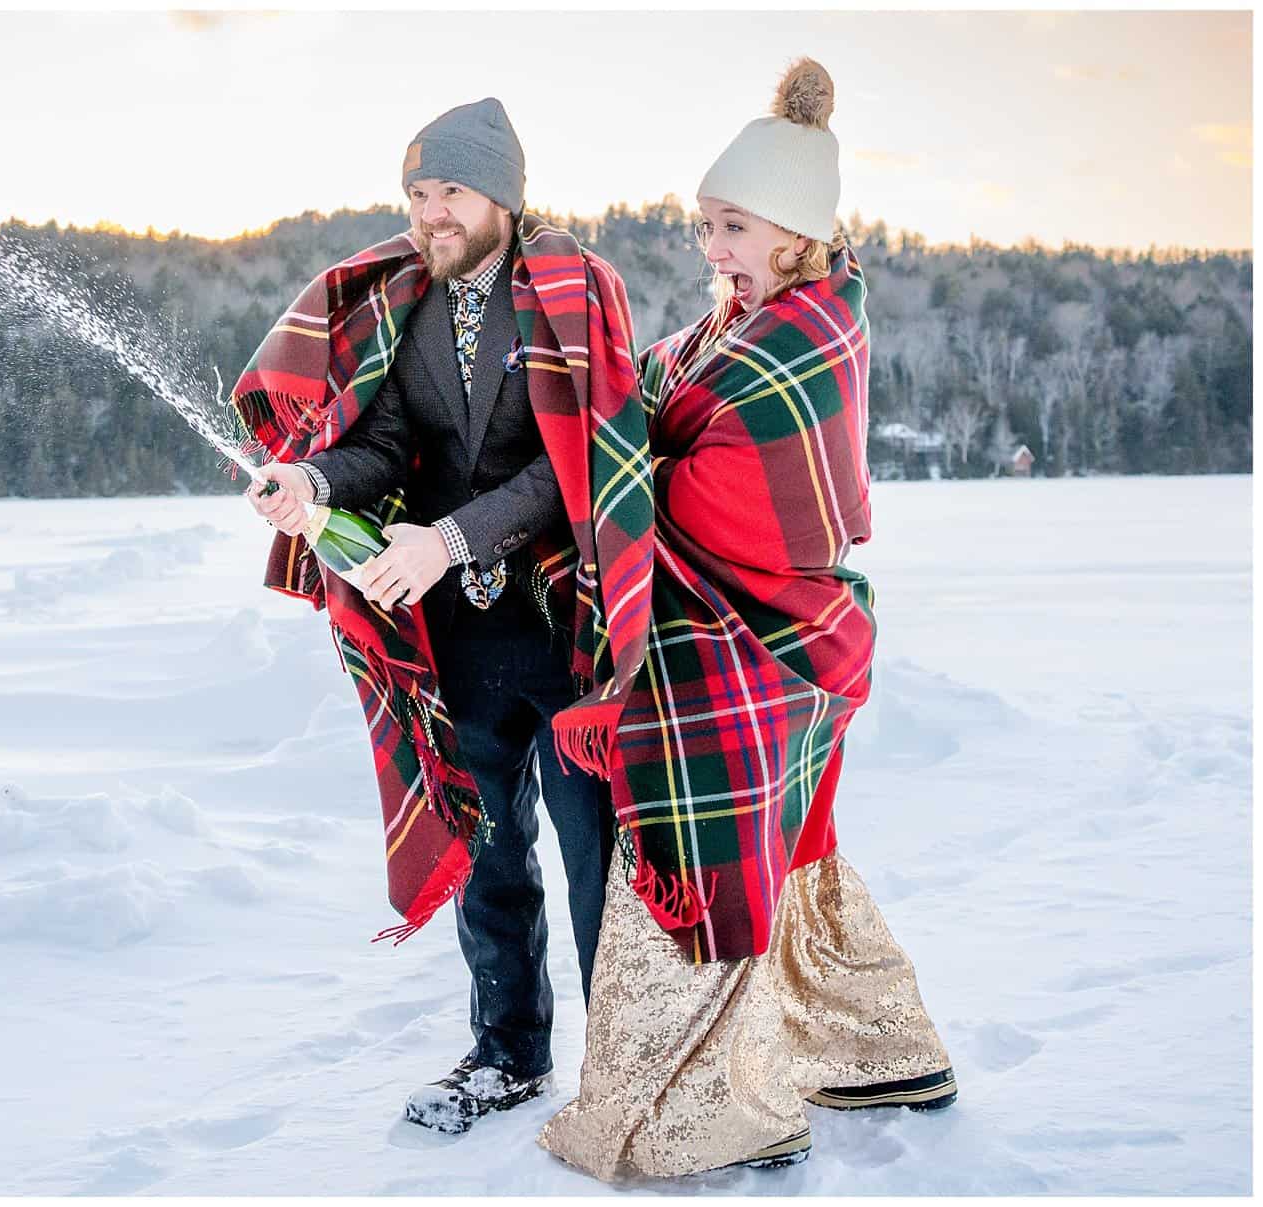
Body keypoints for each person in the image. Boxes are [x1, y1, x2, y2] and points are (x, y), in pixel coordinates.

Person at [536, 59, 956, 1181]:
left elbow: (744, 510)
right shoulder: (745, 316)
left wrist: (618, 470)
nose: (711, 246)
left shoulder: (802, 343)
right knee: (791, 854)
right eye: (704, 225)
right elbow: (654, 389)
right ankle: (877, 1051)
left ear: (795, 232)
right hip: (749, 640)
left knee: (700, 863)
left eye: (731, 225)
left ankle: (710, 1118)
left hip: (761, 641)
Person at [237, 98, 658, 1134]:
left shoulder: (571, 293)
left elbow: (583, 472)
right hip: (454, 643)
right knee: (488, 855)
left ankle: (633, 1073)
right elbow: (381, 447)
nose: (430, 214)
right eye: (418, 194)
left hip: (566, 632)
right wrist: (314, 483)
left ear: (502, 196)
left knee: (597, 858)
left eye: (450, 193)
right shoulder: (401, 305)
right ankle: (507, 1053)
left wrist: (452, 537)